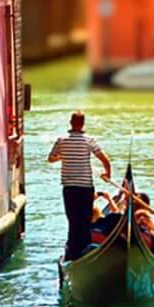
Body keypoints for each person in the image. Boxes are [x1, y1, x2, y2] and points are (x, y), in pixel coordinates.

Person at [48, 111, 111, 260]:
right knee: (84, 219)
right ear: (83, 124)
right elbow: (104, 159)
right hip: (85, 187)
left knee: (72, 218)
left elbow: (50, 159)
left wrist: (63, 156)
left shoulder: (61, 140)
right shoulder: (89, 140)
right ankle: (85, 247)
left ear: (71, 123)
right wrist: (107, 174)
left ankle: (73, 249)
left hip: (69, 187)